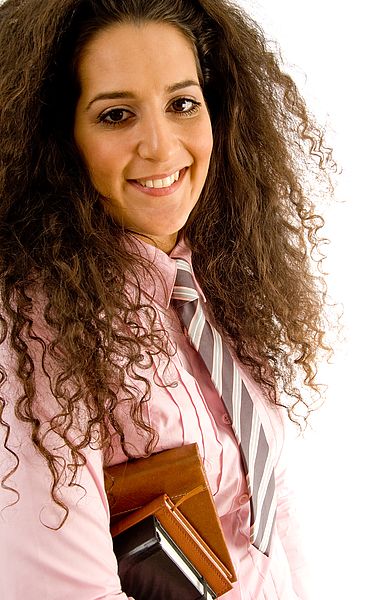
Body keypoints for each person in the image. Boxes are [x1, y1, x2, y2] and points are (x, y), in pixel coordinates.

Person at [0, 0, 334, 598]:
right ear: (58, 136)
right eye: (116, 115)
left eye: (182, 104)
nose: (161, 146)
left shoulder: (220, 275)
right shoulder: (32, 337)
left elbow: (270, 503)